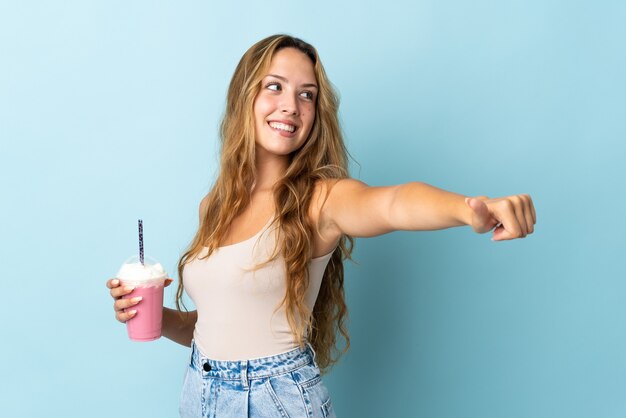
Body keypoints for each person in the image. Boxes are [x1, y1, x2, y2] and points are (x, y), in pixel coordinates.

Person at [106, 34, 536, 417]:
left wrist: (469, 209)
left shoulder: (320, 199)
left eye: (306, 95)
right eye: (274, 87)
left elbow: (391, 202)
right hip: (200, 393)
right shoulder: (214, 206)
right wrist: (155, 317)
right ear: (245, 98)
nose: (291, 106)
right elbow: (218, 322)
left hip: (276, 401)